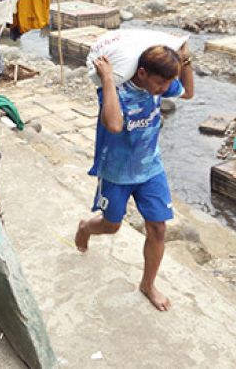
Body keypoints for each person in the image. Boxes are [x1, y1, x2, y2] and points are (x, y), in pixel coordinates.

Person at [74, 44, 194, 312]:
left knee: (158, 228)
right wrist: (106, 77)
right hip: (116, 173)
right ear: (141, 73)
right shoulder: (115, 90)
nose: (165, 89)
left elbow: (188, 92)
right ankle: (85, 226)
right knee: (111, 226)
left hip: (151, 168)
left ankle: (148, 284)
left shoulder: (162, 86)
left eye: (167, 83)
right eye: (160, 82)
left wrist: (186, 62)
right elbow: (114, 125)